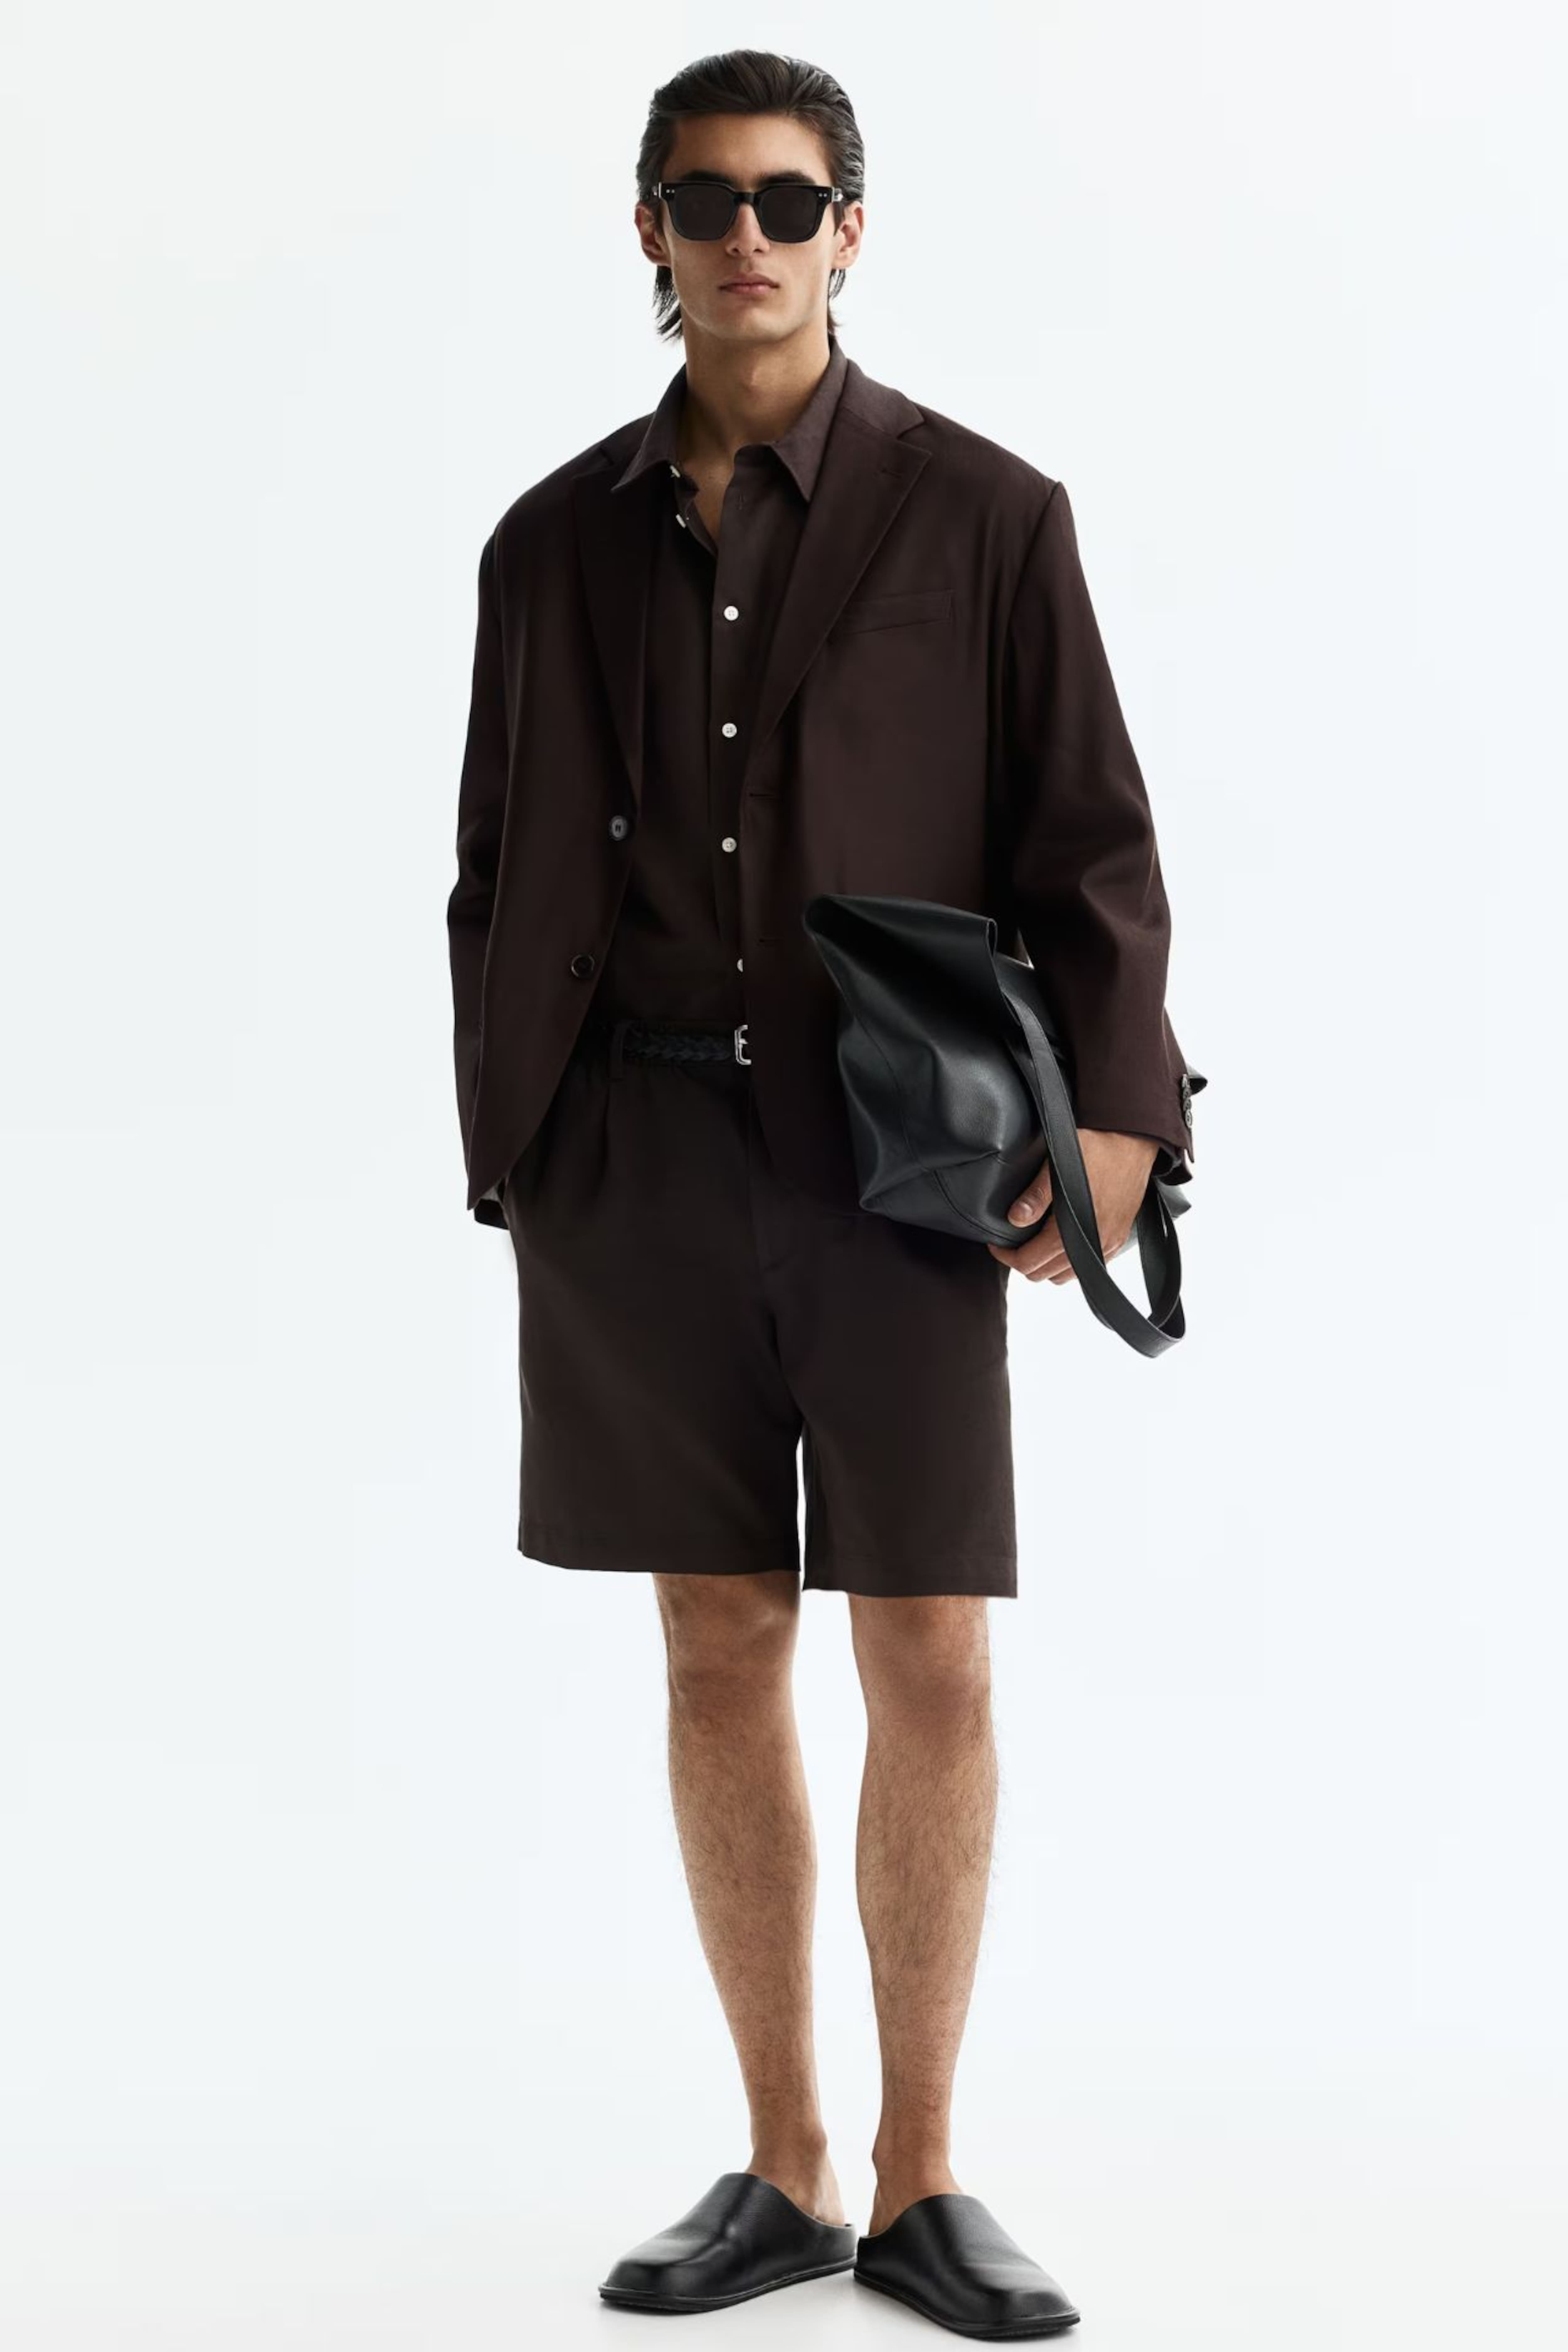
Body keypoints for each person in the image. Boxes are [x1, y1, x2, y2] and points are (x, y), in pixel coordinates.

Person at [447, 47, 1196, 2339]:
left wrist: (1117, 1129)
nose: (747, 235)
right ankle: (780, 2166)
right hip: (638, 1163)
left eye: (790, 199)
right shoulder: (548, 542)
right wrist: (515, 1139)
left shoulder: (986, 517)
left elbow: (1092, 849)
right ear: (650, 230)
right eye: (707, 198)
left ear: (849, 229)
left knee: (929, 1645)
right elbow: (495, 860)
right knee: (713, 1634)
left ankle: (920, 2175)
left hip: (896, 1169)